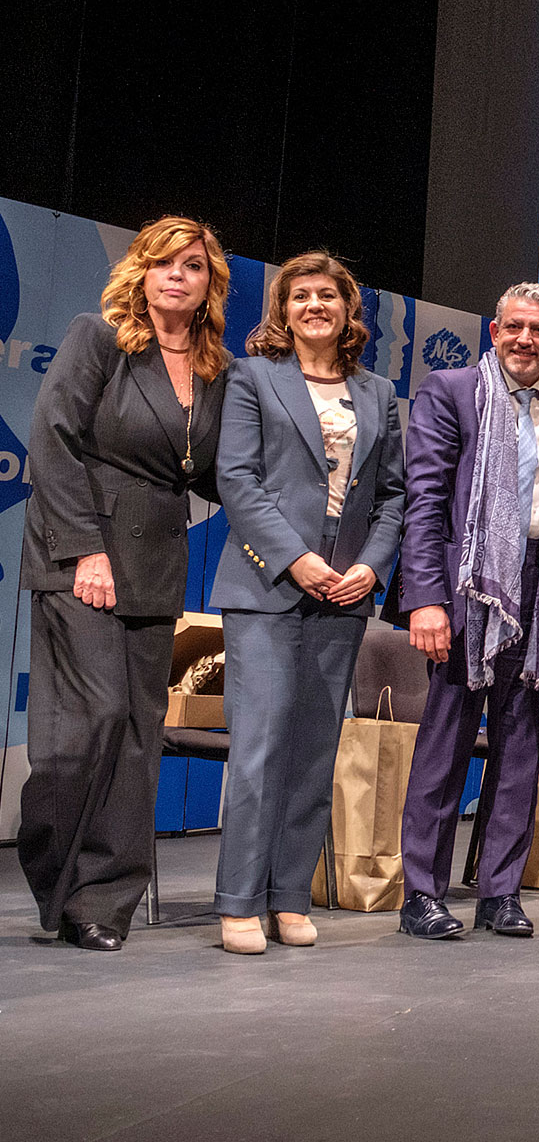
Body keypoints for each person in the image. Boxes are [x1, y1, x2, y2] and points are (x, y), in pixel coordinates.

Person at [16, 217, 232, 952]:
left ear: (210, 285)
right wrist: (84, 550)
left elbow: (207, 473)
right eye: (164, 262)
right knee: (91, 725)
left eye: (193, 266)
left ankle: (103, 902)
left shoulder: (213, 372)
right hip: (85, 557)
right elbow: (53, 440)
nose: (178, 275)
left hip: (156, 567)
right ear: (140, 272)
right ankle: (52, 859)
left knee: (139, 741)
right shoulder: (97, 339)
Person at [208, 252, 404, 954]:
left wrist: (370, 569)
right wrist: (299, 559)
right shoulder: (251, 377)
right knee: (260, 748)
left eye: (328, 295)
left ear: (351, 310)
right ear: (282, 310)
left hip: (344, 591)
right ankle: (236, 903)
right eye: (300, 296)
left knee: (316, 752)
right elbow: (236, 478)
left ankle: (289, 897)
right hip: (268, 585)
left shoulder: (377, 393)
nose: (314, 305)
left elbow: (393, 497)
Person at [394, 283, 539, 941]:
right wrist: (424, 596)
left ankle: (500, 892)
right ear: (494, 330)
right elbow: (422, 502)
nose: (525, 340)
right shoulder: (452, 392)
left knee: (518, 745)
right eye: (514, 327)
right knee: (445, 746)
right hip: (469, 591)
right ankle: (422, 894)